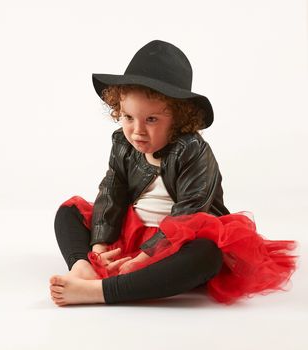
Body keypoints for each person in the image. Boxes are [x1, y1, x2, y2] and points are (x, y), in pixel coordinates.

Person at [49, 40, 298, 306]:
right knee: (69, 212)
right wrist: (98, 249)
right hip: (132, 236)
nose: (137, 131)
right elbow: (112, 192)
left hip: (175, 242)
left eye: (152, 120)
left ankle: (102, 291)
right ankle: (83, 267)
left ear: (179, 119)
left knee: (207, 256)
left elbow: (189, 212)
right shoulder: (122, 145)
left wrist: (145, 258)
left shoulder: (193, 150)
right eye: (128, 117)